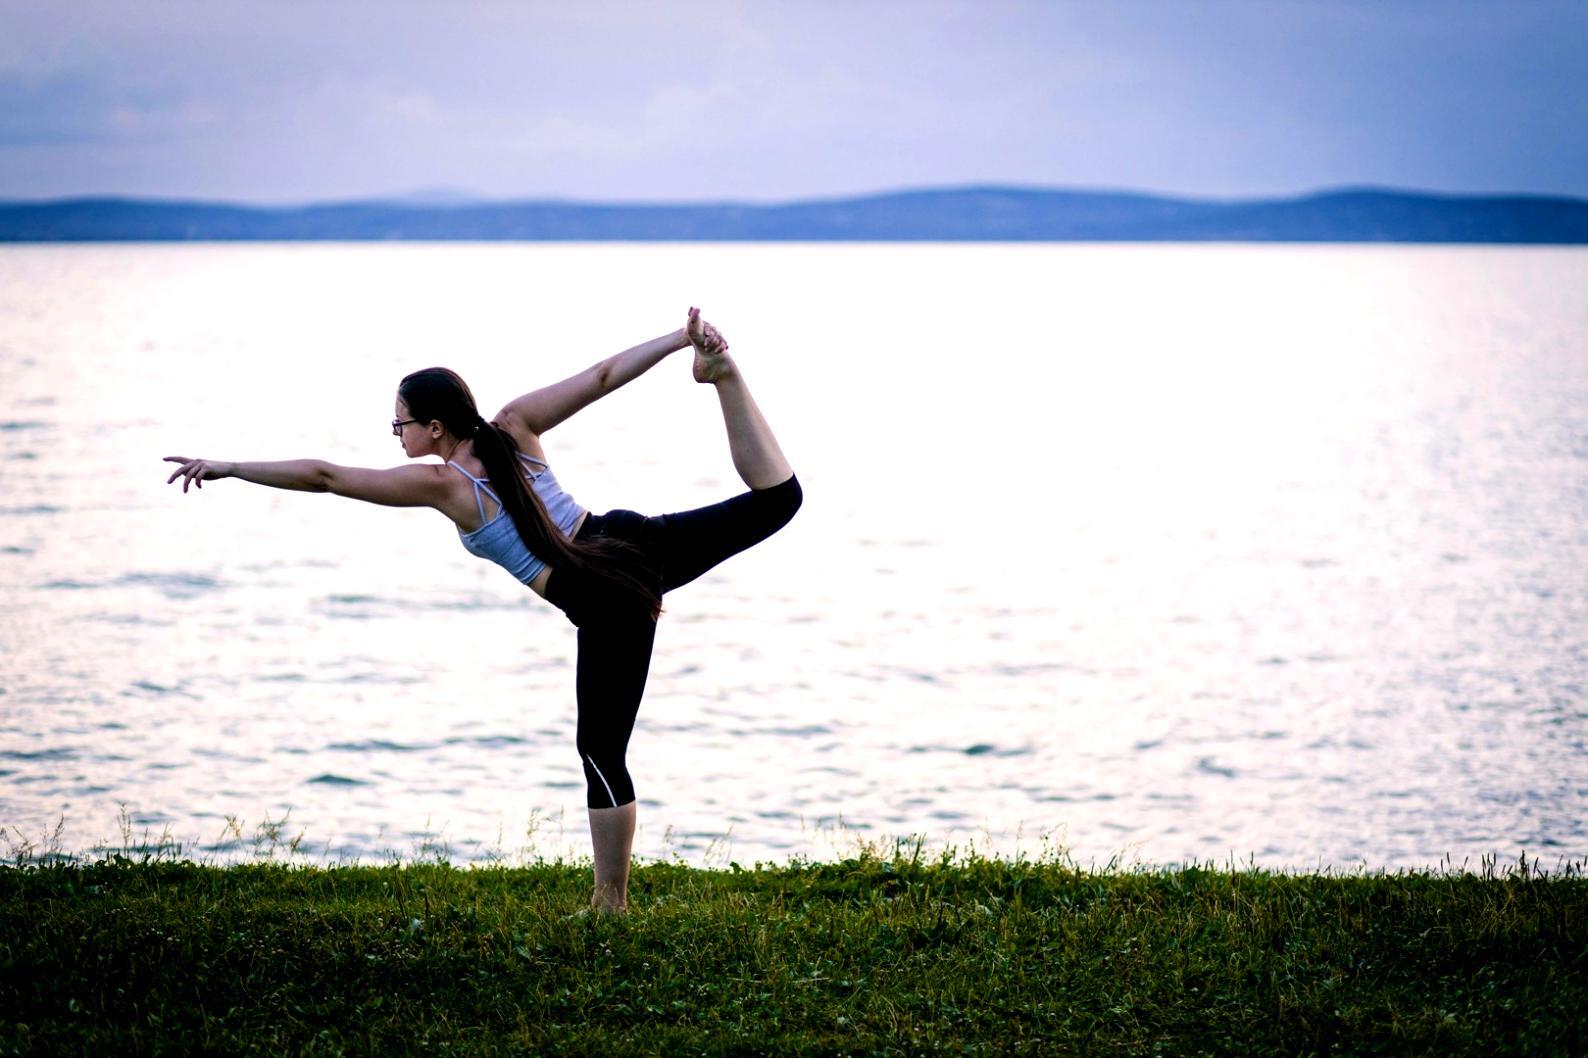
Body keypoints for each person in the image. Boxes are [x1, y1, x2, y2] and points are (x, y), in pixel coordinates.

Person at [164, 308, 801, 914]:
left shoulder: (445, 484)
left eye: (401, 424)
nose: (398, 434)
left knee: (601, 752)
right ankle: (726, 377)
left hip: (606, 595)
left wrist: (232, 467)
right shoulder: (516, 423)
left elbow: (328, 476)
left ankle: (611, 905)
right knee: (779, 501)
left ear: (434, 427)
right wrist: (677, 340)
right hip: (629, 538)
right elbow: (604, 376)